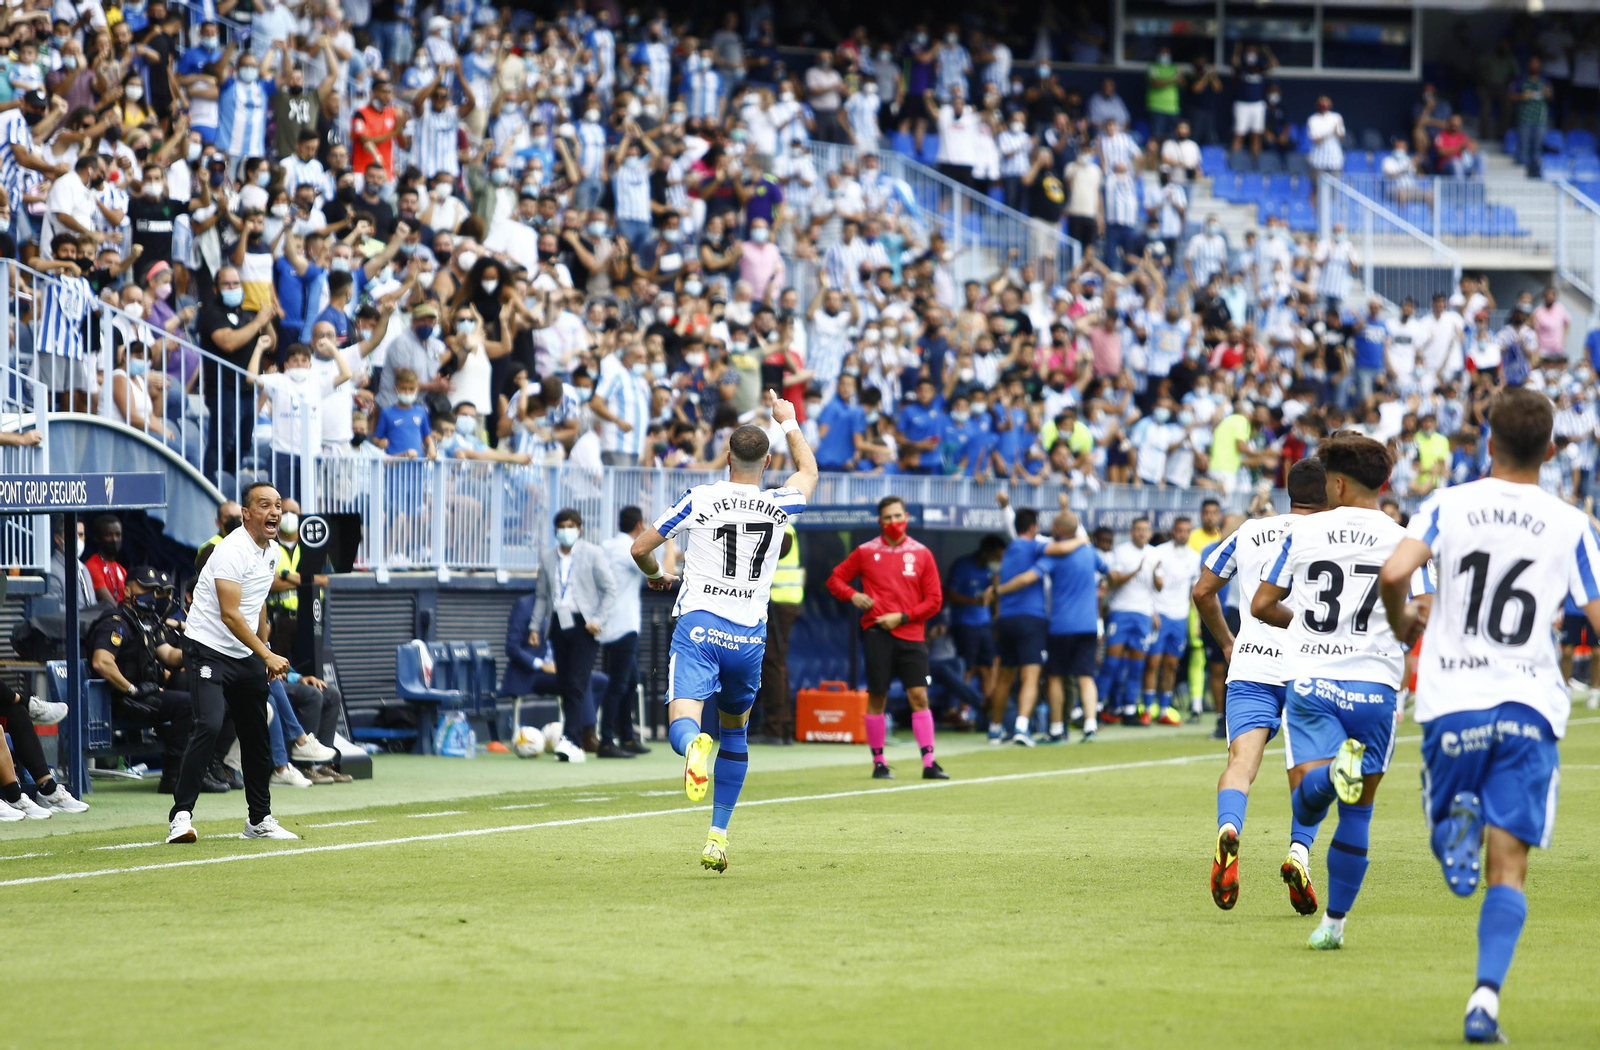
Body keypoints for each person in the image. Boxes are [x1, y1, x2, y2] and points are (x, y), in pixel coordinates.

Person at [1379, 386, 1596, 1044]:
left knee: (1450, 818)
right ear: (1553, 450)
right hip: (1530, 704)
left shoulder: (1448, 503)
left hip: (1453, 702)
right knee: (1511, 869)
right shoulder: (1571, 523)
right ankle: (1484, 1002)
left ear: (1487, 441)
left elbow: (1394, 574)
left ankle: (1453, 819)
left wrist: (1404, 625)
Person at [629, 395, 818, 872]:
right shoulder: (779, 504)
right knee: (736, 736)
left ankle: (694, 747)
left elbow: (641, 547)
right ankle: (717, 836)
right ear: (767, 462)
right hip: (749, 636)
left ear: (728, 457)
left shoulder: (701, 497)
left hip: (700, 627)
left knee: (685, 722)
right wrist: (789, 421)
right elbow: (809, 474)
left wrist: (655, 573)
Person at [1253, 434, 1428, 950]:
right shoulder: (1405, 537)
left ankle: (1331, 772)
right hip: (1375, 686)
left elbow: (1263, 604)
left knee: (1310, 802)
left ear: (1335, 482)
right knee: (1359, 812)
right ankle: (1333, 924)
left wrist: (1307, 626)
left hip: (1312, 681)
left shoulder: (1305, 532)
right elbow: (1425, 614)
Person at [1195, 459, 1328, 914]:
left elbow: (1202, 591)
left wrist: (1228, 643)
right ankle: (1298, 854)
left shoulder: (1251, 531)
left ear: (1289, 492)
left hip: (1252, 665)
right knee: (1308, 769)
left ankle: (1229, 829)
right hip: (1308, 666)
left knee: (1241, 763)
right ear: (1329, 492)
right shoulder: (1332, 535)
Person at [166, 483, 297, 844]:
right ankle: (180, 817)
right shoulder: (230, 551)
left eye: (277, 506)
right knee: (208, 723)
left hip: (244, 654)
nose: (274, 512)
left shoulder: (271, 552)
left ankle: (259, 820)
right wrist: (267, 654)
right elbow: (230, 615)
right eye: (264, 505)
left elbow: (257, 603)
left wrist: (263, 648)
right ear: (246, 513)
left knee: (257, 733)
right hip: (207, 648)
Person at [826, 496, 948, 780]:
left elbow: (935, 600)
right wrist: (853, 595)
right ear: (880, 521)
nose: (894, 522)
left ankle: (929, 762)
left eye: (898, 516)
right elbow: (835, 579)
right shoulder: (866, 551)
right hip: (877, 633)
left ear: (906, 517)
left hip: (912, 634)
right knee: (877, 696)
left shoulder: (921, 553)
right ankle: (879, 763)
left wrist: (903, 616)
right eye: (888, 518)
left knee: (919, 695)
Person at [994, 509, 1103, 743]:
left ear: (1059, 530)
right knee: (1085, 677)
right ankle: (1090, 726)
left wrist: (998, 591)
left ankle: (1053, 729)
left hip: (1059, 626)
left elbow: (1028, 578)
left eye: (1053, 525)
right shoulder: (1089, 552)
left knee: (1052, 677)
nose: (1049, 529)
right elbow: (1109, 573)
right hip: (1087, 624)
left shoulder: (1048, 555)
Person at [89, 565, 196, 795]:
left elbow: (169, 655)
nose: (151, 594)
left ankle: (195, 772)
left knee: (196, 698)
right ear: (127, 591)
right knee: (186, 705)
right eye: (145, 588)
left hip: (145, 695)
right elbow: (101, 661)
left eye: (154, 590)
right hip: (121, 700)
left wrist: (194, 647)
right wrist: (131, 690)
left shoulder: (145, 622)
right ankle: (172, 778)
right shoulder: (116, 622)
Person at [529, 508, 618, 754]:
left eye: (571, 526)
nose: (566, 531)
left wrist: (598, 619)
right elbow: (542, 595)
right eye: (562, 526)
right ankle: (572, 738)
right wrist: (535, 626)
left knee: (578, 681)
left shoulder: (593, 553)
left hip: (584, 625)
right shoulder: (547, 557)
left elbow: (610, 589)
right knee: (565, 682)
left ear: (580, 529)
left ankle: (572, 739)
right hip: (558, 622)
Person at [595, 506, 653, 758]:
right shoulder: (629, 549)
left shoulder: (607, 546)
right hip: (624, 625)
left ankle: (626, 737)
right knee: (618, 684)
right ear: (639, 525)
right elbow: (659, 568)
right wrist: (670, 544)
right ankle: (607, 741)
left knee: (629, 682)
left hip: (608, 623)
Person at [1142, 516, 1201, 726]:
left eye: (1187, 531)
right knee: (1153, 662)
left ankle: (1164, 710)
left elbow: (1193, 592)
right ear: (1172, 532)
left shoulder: (1194, 557)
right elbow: (1149, 586)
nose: (1183, 535)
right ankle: (1148, 708)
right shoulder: (1159, 553)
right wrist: (1152, 611)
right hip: (1161, 613)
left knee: (1171, 663)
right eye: (1180, 531)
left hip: (1180, 616)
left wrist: (1195, 621)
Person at [1101, 517, 1159, 726]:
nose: (1142, 533)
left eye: (1146, 529)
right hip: (1121, 610)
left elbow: (1159, 587)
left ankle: (1129, 709)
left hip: (1143, 613)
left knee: (1137, 665)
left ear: (1150, 533)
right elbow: (1114, 580)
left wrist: (1154, 572)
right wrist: (1135, 570)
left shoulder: (1154, 553)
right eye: (1138, 529)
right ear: (1131, 531)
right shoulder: (1121, 551)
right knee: (1111, 662)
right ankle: (1098, 706)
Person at [756, 522, 803, 745]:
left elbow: (769, 554)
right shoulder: (786, 527)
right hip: (784, 601)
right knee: (777, 664)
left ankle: (776, 728)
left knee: (773, 663)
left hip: (779, 602)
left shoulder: (782, 527)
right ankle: (782, 728)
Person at [944, 535, 1006, 701]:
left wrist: (996, 588)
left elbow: (994, 607)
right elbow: (949, 594)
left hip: (985, 624)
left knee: (989, 667)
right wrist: (973, 601)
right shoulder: (963, 565)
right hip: (964, 624)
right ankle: (961, 709)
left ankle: (986, 709)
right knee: (967, 668)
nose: (998, 561)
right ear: (986, 552)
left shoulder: (993, 573)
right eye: (996, 557)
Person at [85, 515, 126, 604]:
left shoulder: (121, 569)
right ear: (97, 538)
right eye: (109, 535)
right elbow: (108, 603)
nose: (114, 539)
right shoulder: (93, 566)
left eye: (118, 535)